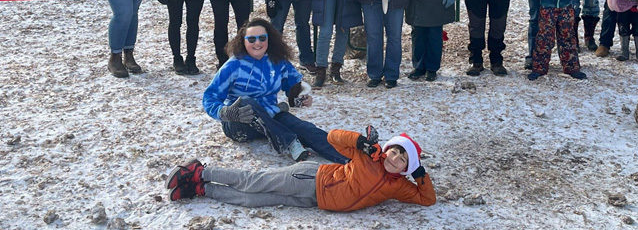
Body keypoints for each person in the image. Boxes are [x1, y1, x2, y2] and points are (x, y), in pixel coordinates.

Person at [166, 129, 436, 212]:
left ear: (405, 169)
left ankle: (202, 189)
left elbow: (427, 199)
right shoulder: (369, 156)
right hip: (311, 178)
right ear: (387, 148)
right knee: (254, 182)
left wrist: (420, 173)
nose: (396, 158)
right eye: (395, 150)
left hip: (314, 201)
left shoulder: (398, 186)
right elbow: (332, 139)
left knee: (252, 200)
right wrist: (359, 141)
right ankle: (201, 171)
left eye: (403, 159)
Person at [202, 18, 349, 164]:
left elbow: (293, 87)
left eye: (262, 38)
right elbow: (210, 97)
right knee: (246, 102)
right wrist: (225, 112)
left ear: (269, 39)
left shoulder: (277, 62)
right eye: (251, 39)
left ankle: (349, 156)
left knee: (304, 128)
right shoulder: (233, 65)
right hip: (239, 123)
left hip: (270, 117)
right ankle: (289, 142)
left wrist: (299, 98)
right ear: (243, 41)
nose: (257, 43)